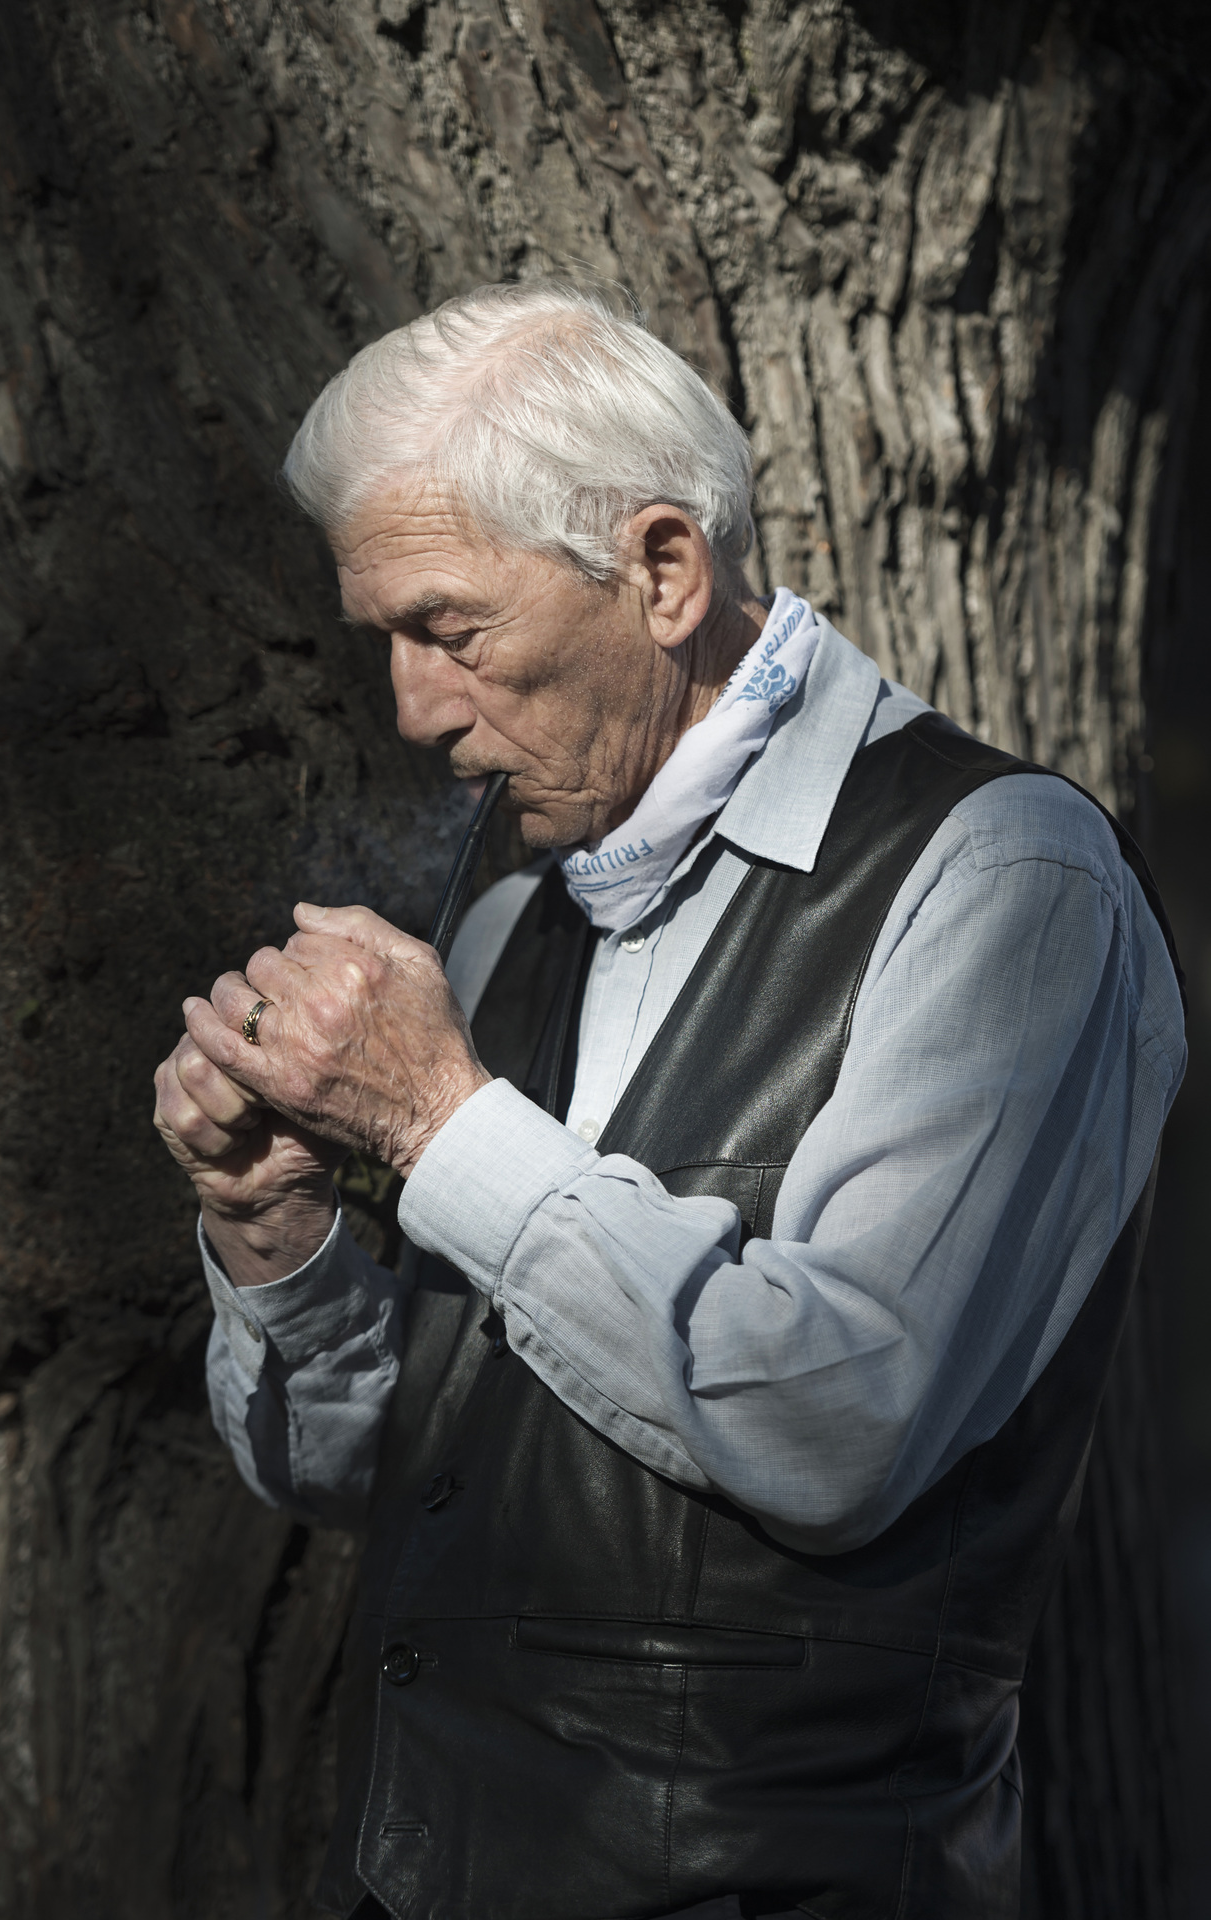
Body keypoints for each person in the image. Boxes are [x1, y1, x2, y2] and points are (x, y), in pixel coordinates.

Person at [153, 281, 1186, 1920]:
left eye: (449, 631)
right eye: (386, 643)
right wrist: (276, 1235)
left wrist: (439, 1127)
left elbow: (842, 1423)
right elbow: (395, 1479)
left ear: (660, 570)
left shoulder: (1005, 876)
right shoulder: (509, 916)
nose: (414, 709)